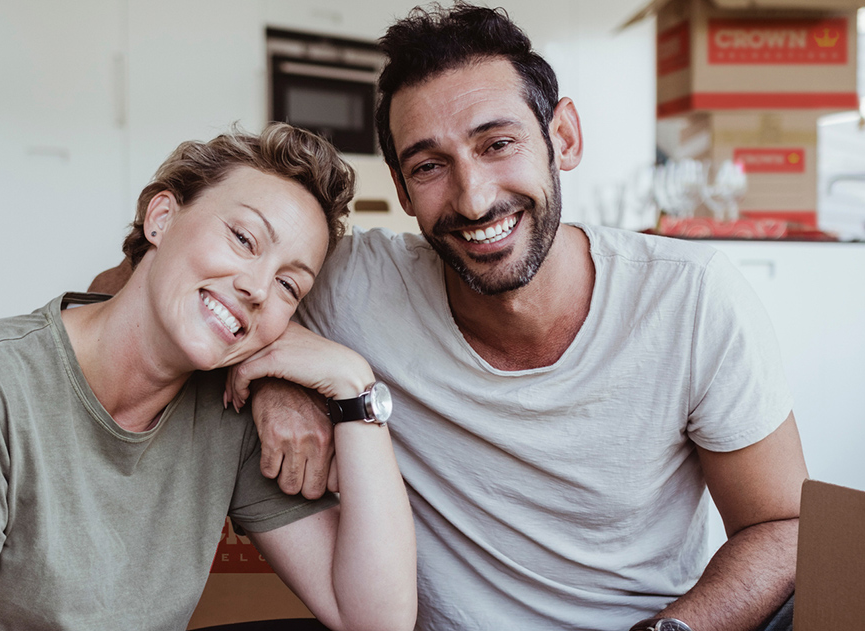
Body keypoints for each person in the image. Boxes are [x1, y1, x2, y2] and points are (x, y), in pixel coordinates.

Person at [94, 5, 807, 630]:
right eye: (430, 165)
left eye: (498, 144)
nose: (472, 199)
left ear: (563, 137)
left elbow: (781, 524)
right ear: (401, 188)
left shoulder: (691, 300)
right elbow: (129, 291)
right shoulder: (357, 280)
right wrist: (272, 364)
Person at [0, 124, 417, 631]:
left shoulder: (230, 411)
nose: (258, 288)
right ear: (161, 218)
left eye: (290, 284)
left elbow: (376, 621)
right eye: (244, 239)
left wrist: (355, 386)